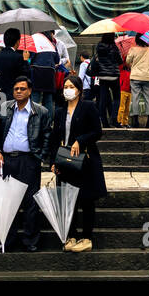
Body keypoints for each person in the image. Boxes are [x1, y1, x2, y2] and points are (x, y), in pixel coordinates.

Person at [0, 76, 53, 252]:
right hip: (6, 160)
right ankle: (7, 239)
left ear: (30, 91)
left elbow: (47, 136)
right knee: (6, 202)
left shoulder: (40, 111)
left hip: (28, 160)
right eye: (16, 89)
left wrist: (40, 157)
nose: (18, 91)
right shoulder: (4, 108)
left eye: (22, 89)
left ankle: (30, 240)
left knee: (30, 202)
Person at [51, 74, 107, 251]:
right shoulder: (59, 111)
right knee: (69, 201)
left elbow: (97, 131)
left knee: (87, 200)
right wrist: (53, 161)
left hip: (85, 160)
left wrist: (80, 140)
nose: (68, 90)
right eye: (65, 87)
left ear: (79, 90)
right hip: (65, 161)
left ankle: (87, 238)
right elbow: (55, 137)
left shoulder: (88, 107)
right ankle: (72, 236)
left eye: (71, 87)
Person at [126, 36, 149, 128]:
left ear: (136, 40)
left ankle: (136, 120)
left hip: (135, 77)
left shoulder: (133, 49)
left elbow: (128, 61)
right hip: (148, 77)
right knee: (148, 98)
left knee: (135, 98)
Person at [89, 35, 122, 127]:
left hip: (103, 76)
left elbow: (96, 61)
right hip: (114, 76)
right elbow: (120, 61)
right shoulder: (114, 47)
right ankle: (114, 119)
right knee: (117, 98)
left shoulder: (99, 47)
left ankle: (104, 122)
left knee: (103, 100)